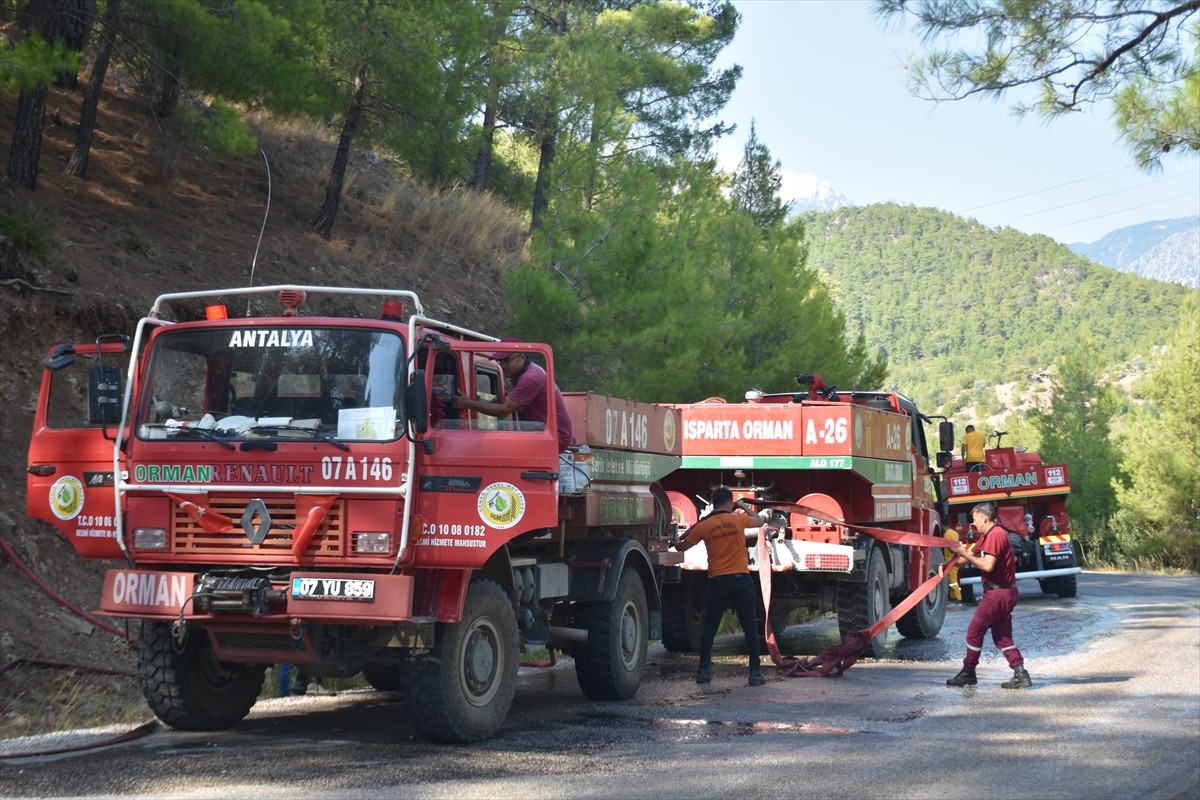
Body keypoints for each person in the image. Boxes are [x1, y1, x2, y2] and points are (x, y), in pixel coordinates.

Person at [673, 487, 769, 687]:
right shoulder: (738, 520)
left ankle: (703, 671)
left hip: (717, 582)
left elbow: (681, 547)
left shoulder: (704, 526)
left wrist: (677, 539)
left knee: (709, 628)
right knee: (750, 627)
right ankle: (755, 673)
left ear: (713, 504)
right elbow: (760, 522)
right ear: (728, 504)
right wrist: (743, 506)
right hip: (741, 580)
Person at [946, 501, 1033, 689]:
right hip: (1005, 592)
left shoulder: (995, 535)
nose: (974, 524)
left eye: (975, 520)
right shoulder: (987, 535)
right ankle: (1021, 673)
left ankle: (968, 671)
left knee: (974, 631)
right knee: (1002, 636)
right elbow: (968, 556)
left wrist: (963, 552)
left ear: (984, 518)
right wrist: (949, 564)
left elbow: (987, 565)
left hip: (998, 593)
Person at [452, 337, 573, 451]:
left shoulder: (530, 378)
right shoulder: (521, 374)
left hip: (555, 437)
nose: (503, 366)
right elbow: (512, 403)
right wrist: (481, 401)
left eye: (506, 360)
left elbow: (504, 409)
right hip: (543, 432)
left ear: (521, 357)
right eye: (500, 362)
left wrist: (469, 404)